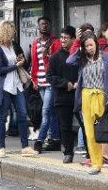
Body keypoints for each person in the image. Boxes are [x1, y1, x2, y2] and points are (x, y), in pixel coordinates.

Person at [67, 32, 108, 176]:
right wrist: (78, 48)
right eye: (86, 46)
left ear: (96, 42)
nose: (90, 48)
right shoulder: (82, 58)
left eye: (91, 44)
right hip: (86, 96)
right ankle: (96, 164)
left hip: (102, 96)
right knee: (90, 134)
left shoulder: (107, 58)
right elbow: (69, 61)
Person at [0, 21, 38, 158]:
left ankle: (25, 146)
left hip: (16, 85)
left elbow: (16, 63)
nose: (13, 35)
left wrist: (18, 61)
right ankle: (1, 147)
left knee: (22, 114)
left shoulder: (12, 46)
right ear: (5, 32)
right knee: (2, 116)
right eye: (11, 32)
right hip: (4, 86)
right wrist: (16, 65)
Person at [45, 26, 81, 163]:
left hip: (79, 96)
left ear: (73, 39)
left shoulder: (78, 55)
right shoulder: (55, 57)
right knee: (65, 126)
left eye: (66, 38)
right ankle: (68, 152)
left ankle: (90, 152)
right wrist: (66, 84)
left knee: (84, 125)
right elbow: (50, 76)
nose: (63, 40)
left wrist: (78, 83)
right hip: (62, 97)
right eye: (61, 37)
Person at [30, 17, 62, 154]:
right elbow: (34, 63)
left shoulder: (55, 42)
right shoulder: (35, 42)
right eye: (42, 24)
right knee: (52, 112)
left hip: (50, 82)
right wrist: (34, 80)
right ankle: (55, 140)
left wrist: (48, 55)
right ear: (38, 27)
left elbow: (57, 62)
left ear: (50, 26)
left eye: (46, 24)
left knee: (46, 111)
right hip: (40, 82)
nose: (44, 26)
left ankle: (39, 141)